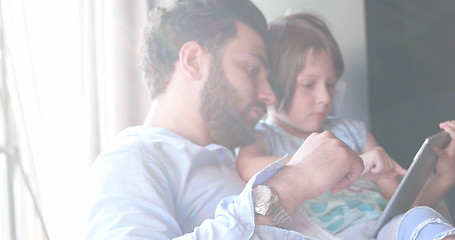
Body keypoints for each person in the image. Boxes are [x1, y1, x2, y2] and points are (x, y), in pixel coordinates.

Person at [85, 1, 455, 239]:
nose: (268, 93)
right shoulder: (134, 161)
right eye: (251, 69)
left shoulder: (228, 160)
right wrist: (293, 182)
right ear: (194, 60)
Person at [235, 12, 455, 239]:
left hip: (381, 231)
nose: (324, 97)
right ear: (273, 85)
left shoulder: (354, 133)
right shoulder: (264, 137)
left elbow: (404, 208)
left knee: (421, 219)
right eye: (309, 84)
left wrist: (443, 177)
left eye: (330, 84)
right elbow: (245, 166)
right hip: (325, 235)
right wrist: (328, 161)